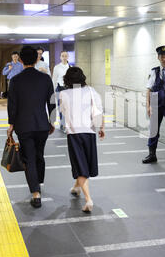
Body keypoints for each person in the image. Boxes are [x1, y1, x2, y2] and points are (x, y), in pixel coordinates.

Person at [7, 46, 56, 208]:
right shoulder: (45, 79)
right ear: (37, 59)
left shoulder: (15, 80)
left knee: (29, 157)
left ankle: (35, 192)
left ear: (20, 60)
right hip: (42, 124)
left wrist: (11, 125)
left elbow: (12, 105)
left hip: (24, 125)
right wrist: (52, 121)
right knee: (39, 155)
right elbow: (52, 102)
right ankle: (38, 182)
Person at [59, 67, 105, 213]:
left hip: (74, 134)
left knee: (80, 166)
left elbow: (63, 112)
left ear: (67, 79)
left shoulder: (64, 94)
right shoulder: (91, 91)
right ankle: (76, 187)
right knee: (84, 162)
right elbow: (99, 111)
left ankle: (88, 199)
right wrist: (102, 128)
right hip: (90, 132)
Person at [52, 50, 70, 132]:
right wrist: (53, 91)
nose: (64, 57)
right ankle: (62, 125)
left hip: (68, 89)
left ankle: (67, 124)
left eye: (65, 56)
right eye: (62, 56)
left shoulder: (71, 68)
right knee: (61, 108)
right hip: (59, 88)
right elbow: (54, 80)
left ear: (68, 57)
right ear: (60, 57)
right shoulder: (57, 67)